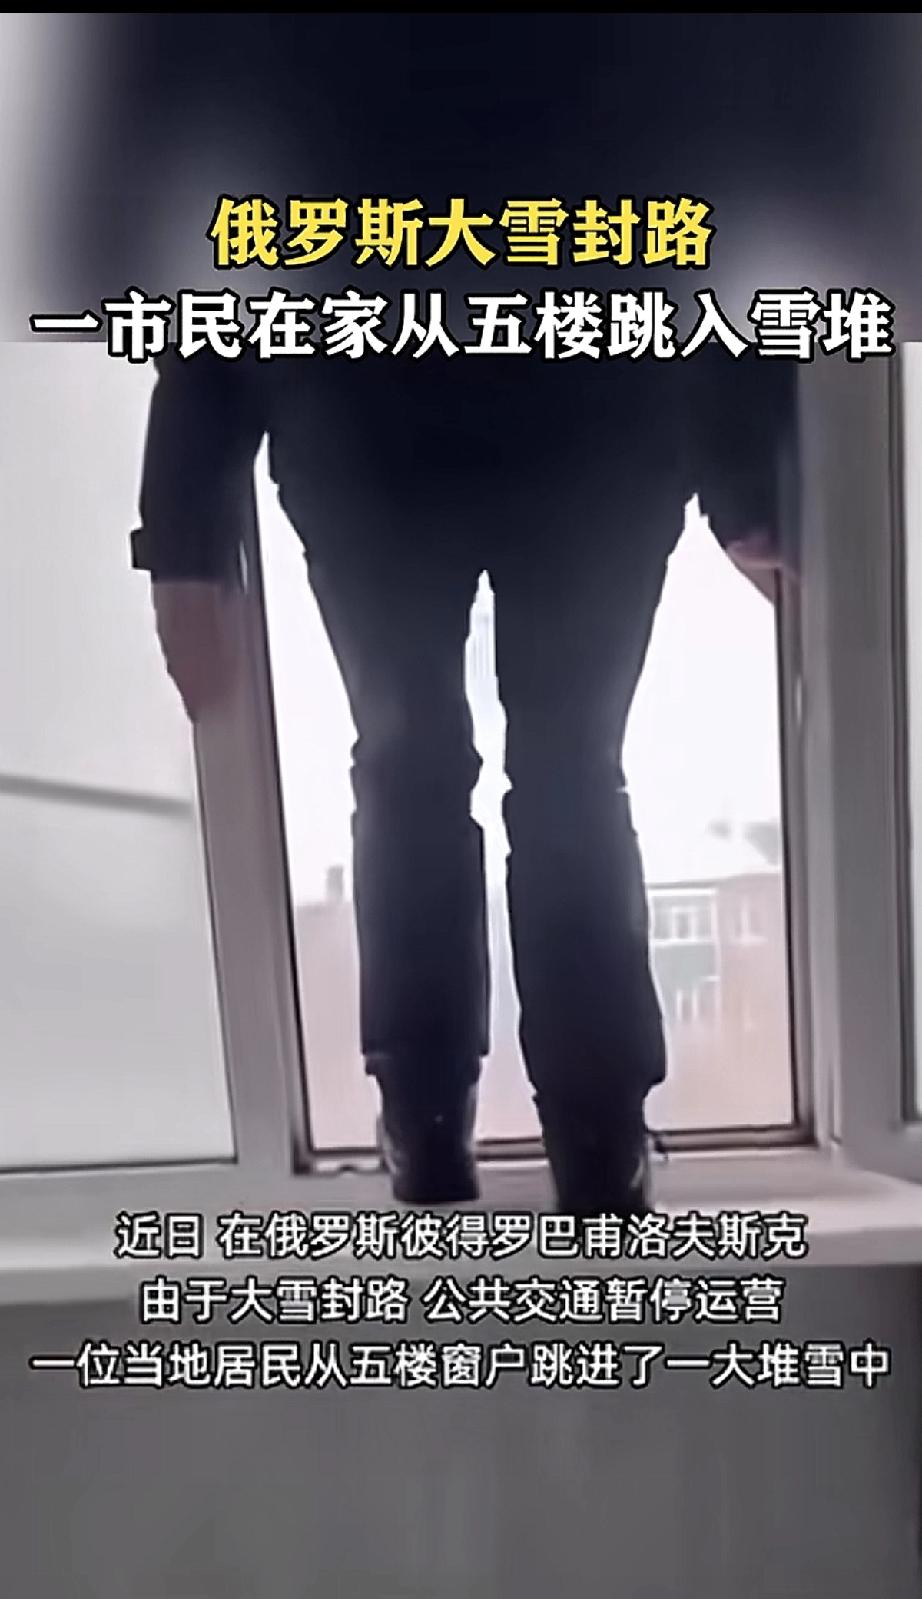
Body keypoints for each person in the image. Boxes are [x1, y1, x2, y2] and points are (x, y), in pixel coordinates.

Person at [132, 332, 794, 1215]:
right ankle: (573, 1134)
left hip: (394, 414)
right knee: (557, 771)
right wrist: (750, 474)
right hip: (563, 414)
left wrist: (183, 533)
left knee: (426, 766)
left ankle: (446, 1121)